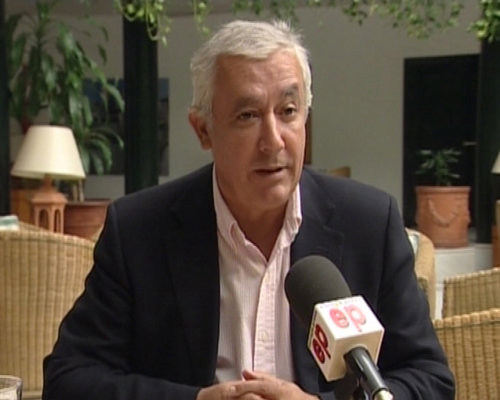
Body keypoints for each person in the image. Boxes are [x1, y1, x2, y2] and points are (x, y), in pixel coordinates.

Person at [43, 20, 454, 400]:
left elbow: (430, 379)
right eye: (247, 115)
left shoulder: (370, 223)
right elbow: (68, 380)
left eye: (288, 112)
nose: (273, 140)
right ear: (203, 129)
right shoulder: (138, 232)